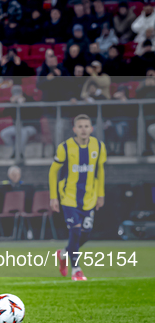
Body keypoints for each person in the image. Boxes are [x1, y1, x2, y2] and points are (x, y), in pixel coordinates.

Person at [49, 114, 107, 281]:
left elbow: (100, 171)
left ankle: (64, 253)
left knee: (85, 234)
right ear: (74, 130)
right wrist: (54, 197)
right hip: (69, 198)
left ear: (91, 129)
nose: (83, 129)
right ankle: (77, 269)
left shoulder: (99, 146)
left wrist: (100, 194)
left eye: (86, 126)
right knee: (75, 230)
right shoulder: (65, 147)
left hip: (89, 197)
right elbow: (53, 172)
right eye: (80, 126)